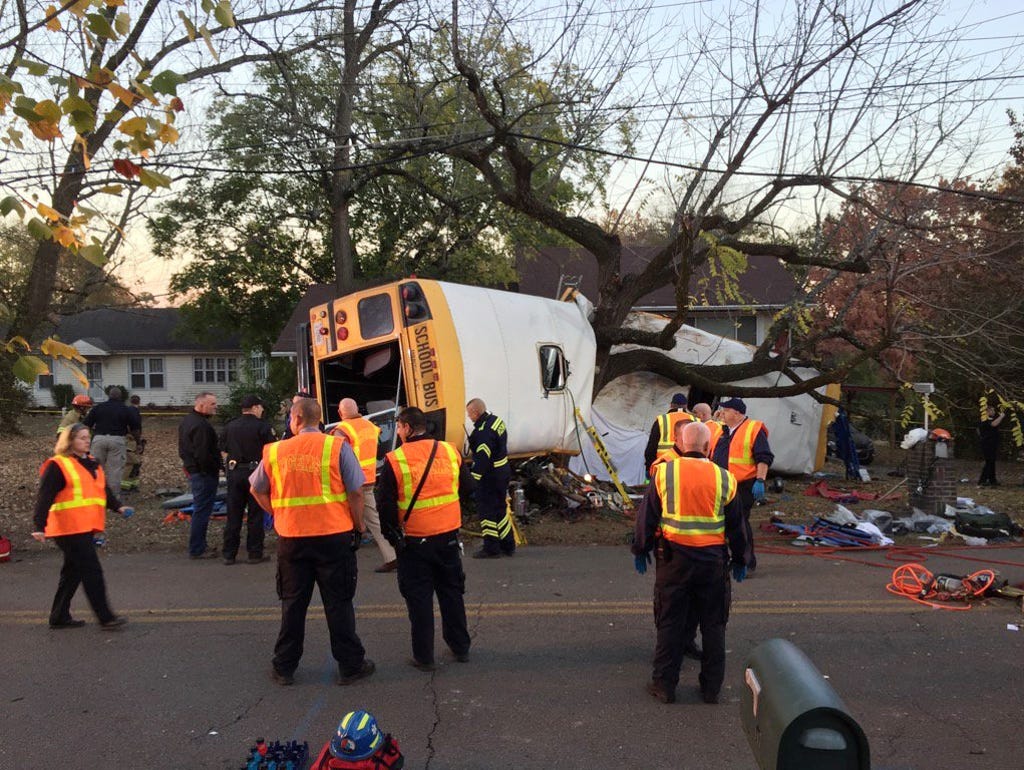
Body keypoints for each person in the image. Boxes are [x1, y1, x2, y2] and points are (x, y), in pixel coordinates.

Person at [250, 397, 375, 687]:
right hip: (333, 537)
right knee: (339, 603)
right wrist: (358, 524)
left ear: (295, 419)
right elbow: (356, 491)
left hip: (292, 539)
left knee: (293, 604)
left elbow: (256, 489)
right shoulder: (336, 446)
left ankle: (284, 667)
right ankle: (350, 665)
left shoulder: (275, 451)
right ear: (319, 419)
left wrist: (278, 512)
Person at [632, 421, 748, 705]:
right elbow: (737, 526)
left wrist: (640, 548)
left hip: (674, 560)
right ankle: (710, 689)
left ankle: (664, 685)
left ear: (681, 445)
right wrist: (743, 557)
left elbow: (647, 517)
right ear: (708, 448)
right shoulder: (725, 478)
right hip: (712, 563)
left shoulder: (663, 473)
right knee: (713, 625)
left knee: (670, 623)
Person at [379, 406, 471, 670]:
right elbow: (466, 487)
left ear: (407, 428)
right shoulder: (449, 450)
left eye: (398, 427)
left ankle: (424, 657)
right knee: (452, 592)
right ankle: (460, 647)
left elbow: (385, 504)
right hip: (448, 536)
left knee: (419, 599)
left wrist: (391, 536)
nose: (397, 431)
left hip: (414, 541)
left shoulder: (395, 460)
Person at [31, 423, 130, 630]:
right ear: (69, 441)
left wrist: (118, 507)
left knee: (72, 573)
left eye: (88, 437)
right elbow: (45, 497)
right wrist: (39, 525)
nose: (87, 441)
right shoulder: (58, 465)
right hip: (68, 528)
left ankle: (58, 616)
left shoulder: (91, 462)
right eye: (81, 438)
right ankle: (106, 617)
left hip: (84, 526)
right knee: (91, 570)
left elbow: (102, 491)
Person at [333, 398, 395, 573]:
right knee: (372, 517)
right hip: (369, 477)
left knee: (364, 519)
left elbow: (338, 457)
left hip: (351, 481)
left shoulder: (342, 430)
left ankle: (393, 556)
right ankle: (392, 555)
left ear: (340, 413)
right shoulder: (370, 426)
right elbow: (380, 450)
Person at [711, 397, 773, 572]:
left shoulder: (753, 429)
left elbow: (764, 457)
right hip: (721, 484)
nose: (721, 413)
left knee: (739, 523)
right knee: (722, 523)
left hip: (743, 485)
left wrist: (760, 480)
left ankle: (746, 562)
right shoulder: (722, 430)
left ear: (737, 413)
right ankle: (726, 559)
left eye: (725, 410)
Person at [220, 394, 276, 564]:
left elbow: (222, 449)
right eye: (261, 407)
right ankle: (255, 553)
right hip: (256, 473)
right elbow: (272, 451)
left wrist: (229, 467)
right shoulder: (263, 427)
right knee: (255, 514)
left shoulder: (230, 426)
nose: (263, 410)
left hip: (235, 472)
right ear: (254, 408)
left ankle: (229, 554)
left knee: (234, 514)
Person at [465, 398, 515, 559]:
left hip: (490, 476)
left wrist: (473, 481)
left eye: (469, 414)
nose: (469, 417)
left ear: (476, 412)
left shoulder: (483, 433)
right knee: (500, 509)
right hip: (503, 471)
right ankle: (508, 544)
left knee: (486, 511)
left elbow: (482, 460)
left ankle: (491, 547)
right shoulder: (495, 421)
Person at [178, 391, 221, 559]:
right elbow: (203, 453)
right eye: (212, 404)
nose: (216, 407)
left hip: (194, 470)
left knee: (200, 509)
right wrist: (210, 469)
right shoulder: (201, 426)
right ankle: (197, 548)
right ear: (201, 405)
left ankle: (199, 545)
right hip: (203, 473)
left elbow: (183, 449)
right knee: (202, 510)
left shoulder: (188, 421)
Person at [82, 386, 141, 494]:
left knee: (95, 468)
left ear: (108, 395)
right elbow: (135, 429)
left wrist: (88, 439)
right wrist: (138, 442)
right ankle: (113, 498)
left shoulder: (98, 407)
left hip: (98, 439)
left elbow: (86, 424)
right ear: (121, 396)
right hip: (117, 440)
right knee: (115, 471)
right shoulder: (125, 409)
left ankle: (93, 494)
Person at [643, 393, 695, 472]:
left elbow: (652, 446)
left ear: (671, 405)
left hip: (662, 465)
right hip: (685, 468)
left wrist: (649, 466)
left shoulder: (662, 420)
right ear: (686, 406)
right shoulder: (695, 421)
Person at [121, 395, 146, 491]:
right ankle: (125, 487)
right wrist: (139, 442)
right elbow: (136, 429)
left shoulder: (126, 410)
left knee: (134, 464)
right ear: (139, 402)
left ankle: (133, 484)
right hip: (130, 441)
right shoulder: (135, 412)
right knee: (133, 463)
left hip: (127, 440)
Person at [978, 404, 1005, 487]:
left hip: (993, 444)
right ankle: (982, 480)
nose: (993, 412)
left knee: (992, 462)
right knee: (989, 462)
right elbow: (993, 424)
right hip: (987, 444)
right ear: (987, 411)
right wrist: (1001, 417)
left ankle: (992, 480)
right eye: (992, 410)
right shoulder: (984, 420)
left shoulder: (992, 419)